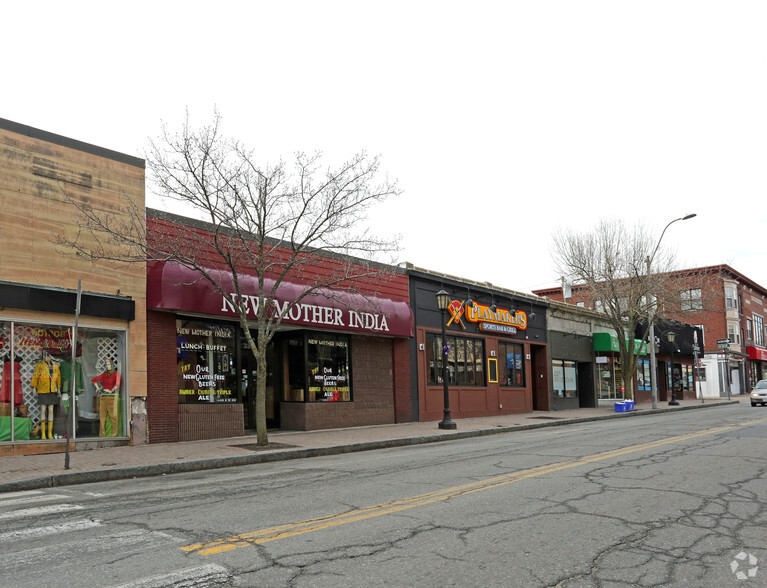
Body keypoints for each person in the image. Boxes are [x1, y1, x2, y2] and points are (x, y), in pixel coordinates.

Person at [30, 351, 61, 440]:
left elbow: (58, 378)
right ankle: (43, 433)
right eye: (45, 356)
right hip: (43, 389)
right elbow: (35, 376)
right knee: (43, 410)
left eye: (48, 356)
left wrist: (58, 389)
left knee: (51, 410)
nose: (47, 357)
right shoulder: (40, 365)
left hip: (52, 390)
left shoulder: (56, 366)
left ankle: (50, 433)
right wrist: (34, 387)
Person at [92, 358, 120, 437]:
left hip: (112, 397)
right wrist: (98, 388)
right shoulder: (104, 375)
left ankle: (115, 433)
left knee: (113, 417)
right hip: (103, 397)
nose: (107, 366)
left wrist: (111, 391)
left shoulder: (116, 374)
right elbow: (94, 380)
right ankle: (102, 434)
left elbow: (117, 384)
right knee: (102, 417)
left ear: (112, 365)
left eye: (108, 364)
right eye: (106, 365)